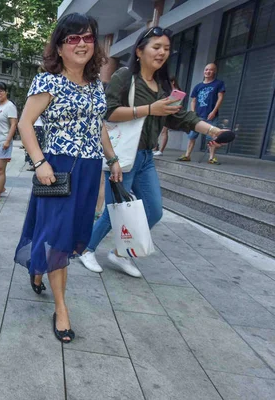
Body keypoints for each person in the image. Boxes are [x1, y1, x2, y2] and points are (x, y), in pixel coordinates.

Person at [79, 26, 224, 277]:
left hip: (145, 156)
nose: (162, 53)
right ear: (139, 50)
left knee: (154, 211)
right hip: (123, 155)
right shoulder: (125, 77)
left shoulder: (164, 85)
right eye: (156, 47)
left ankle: (120, 253)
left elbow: (182, 117)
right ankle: (86, 250)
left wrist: (212, 131)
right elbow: (107, 111)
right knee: (116, 210)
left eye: (166, 48)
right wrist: (149, 109)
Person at [14, 13, 122, 343]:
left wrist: (112, 158)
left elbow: (98, 125)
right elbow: (25, 124)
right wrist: (40, 162)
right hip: (58, 166)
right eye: (72, 38)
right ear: (59, 47)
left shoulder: (96, 87)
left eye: (87, 37)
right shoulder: (49, 81)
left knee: (67, 231)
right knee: (57, 235)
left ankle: (38, 267)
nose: (81, 44)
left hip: (89, 170)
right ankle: (61, 308)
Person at [177, 63, 225, 164]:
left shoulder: (218, 84)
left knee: (211, 137)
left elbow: (220, 98)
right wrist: (193, 113)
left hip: (211, 116)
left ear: (214, 71)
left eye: (210, 70)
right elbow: (193, 101)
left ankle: (211, 158)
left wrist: (214, 111)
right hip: (198, 116)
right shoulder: (198, 86)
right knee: (191, 136)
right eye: (206, 69)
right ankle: (187, 155)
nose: (208, 72)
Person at [153, 76, 181, 156]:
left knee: (164, 131)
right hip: (161, 111)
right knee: (157, 130)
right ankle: (155, 147)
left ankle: (161, 150)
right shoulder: (165, 89)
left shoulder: (176, 91)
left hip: (169, 112)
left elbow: (176, 103)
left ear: (173, 82)